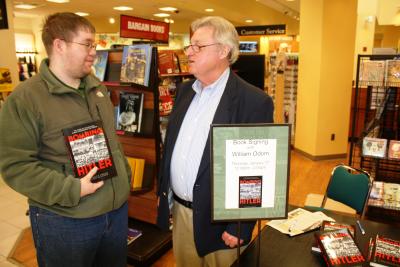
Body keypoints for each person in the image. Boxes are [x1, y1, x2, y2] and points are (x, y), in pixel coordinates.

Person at [0, 12, 131, 267]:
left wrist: (123, 179)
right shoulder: (25, 100)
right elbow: (16, 167)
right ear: (59, 45)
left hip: (115, 213)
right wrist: (71, 189)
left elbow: (110, 143)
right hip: (66, 220)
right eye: (87, 44)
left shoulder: (96, 88)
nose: (95, 51)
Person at [157, 16, 274, 267]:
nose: (189, 52)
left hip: (220, 223)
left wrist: (240, 225)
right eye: (190, 45)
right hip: (180, 214)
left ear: (224, 50)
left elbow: (257, 172)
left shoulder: (253, 102)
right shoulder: (185, 92)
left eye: (198, 46)